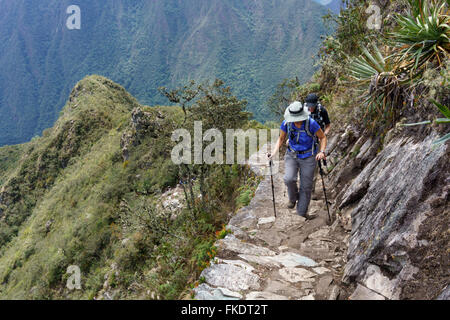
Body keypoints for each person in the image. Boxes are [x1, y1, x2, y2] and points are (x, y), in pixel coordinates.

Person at [268, 101, 327, 218]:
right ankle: (293, 198)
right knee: (289, 179)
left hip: (309, 156)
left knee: (306, 186)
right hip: (292, 154)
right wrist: (274, 152)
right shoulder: (286, 123)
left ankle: (301, 212)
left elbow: (323, 137)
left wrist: (322, 151)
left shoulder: (311, 123)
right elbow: (281, 139)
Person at [304, 93, 331, 197]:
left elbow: (328, 125)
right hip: (305, 140)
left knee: (315, 165)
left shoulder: (322, 110)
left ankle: (311, 191)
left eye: (312, 105)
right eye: (309, 105)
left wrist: (324, 135)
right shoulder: (303, 110)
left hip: (318, 140)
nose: (310, 108)